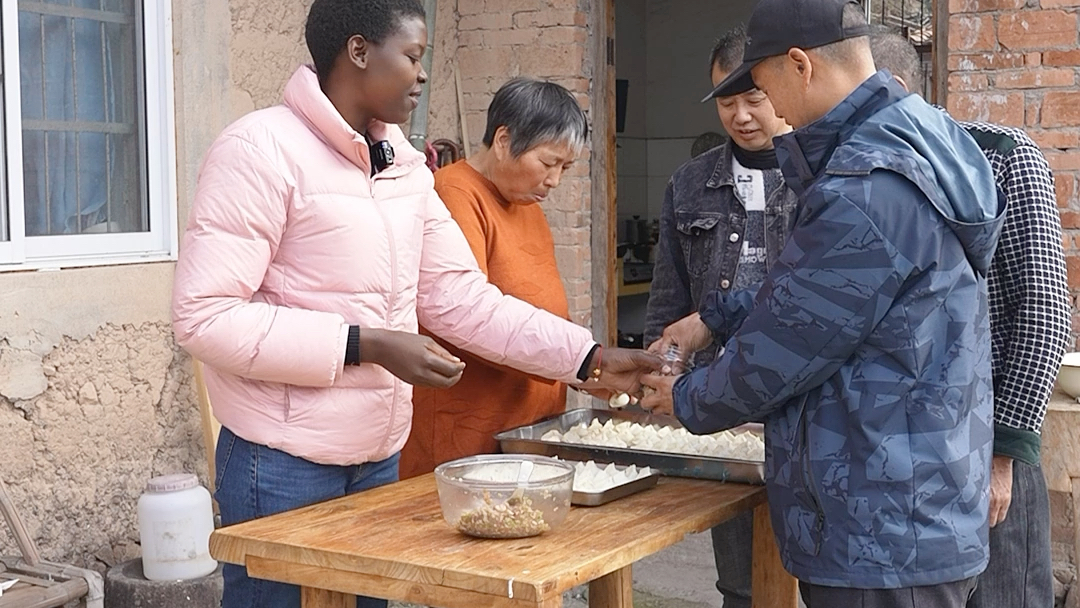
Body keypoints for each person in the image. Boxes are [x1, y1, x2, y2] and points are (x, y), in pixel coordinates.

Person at [170, 2, 659, 608]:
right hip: (282, 462)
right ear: (357, 52)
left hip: (379, 457)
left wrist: (585, 357)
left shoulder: (402, 165)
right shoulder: (260, 150)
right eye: (412, 56)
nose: (421, 75)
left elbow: (460, 298)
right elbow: (204, 317)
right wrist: (363, 343)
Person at [639, 0, 1006, 605]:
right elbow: (836, 292)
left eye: (762, 88)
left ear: (800, 65)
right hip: (910, 499)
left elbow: (784, 346)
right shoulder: (918, 141)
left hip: (881, 524)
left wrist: (684, 398)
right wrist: (716, 315)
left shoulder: (865, 185)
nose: (769, 110)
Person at [870, 27, 1069, 608]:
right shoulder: (871, 175)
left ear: (895, 88)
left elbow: (1045, 316)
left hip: (988, 448)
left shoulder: (1002, 156)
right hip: (909, 457)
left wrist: (1003, 456)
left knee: (1005, 596)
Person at [643, 25, 797, 608]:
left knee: (809, 570)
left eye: (753, 99)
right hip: (721, 405)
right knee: (740, 579)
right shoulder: (691, 182)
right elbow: (669, 295)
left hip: (799, 404)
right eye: (727, 102)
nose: (742, 116)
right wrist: (661, 366)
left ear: (782, 87)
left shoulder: (824, 176)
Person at [400, 78, 589, 479]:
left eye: (565, 168)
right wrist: (585, 361)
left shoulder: (527, 204)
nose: (554, 180)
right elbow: (467, 312)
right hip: (470, 426)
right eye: (548, 162)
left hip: (530, 422)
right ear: (503, 140)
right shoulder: (452, 193)